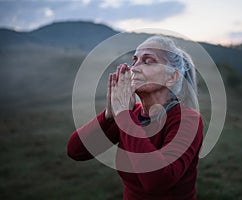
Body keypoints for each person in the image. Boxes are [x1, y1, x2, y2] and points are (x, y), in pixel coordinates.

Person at [67, 35, 203, 200]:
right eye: (134, 60)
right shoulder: (131, 115)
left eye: (147, 61)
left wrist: (124, 115)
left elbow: (158, 180)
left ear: (171, 77)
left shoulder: (188, 120)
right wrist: (109, 115)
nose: (135, 68)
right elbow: (76, 151)